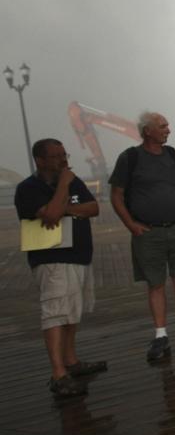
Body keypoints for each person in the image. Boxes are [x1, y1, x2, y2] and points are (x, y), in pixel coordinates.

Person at [109, 111, 175, 363]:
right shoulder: (130, 158)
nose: (168, 129)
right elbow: (116, 195)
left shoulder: (172, 154)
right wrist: (131, 225)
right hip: (148, 231)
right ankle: (160, 334)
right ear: (148, 131)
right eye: (162, 126)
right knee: (155, 283)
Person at [15, 139, 107, 397]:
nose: (63, 159)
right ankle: (58, 373)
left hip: (79, 255)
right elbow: (51, 215)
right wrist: (64, 187)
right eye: (55, 156)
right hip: (51, 259)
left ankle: (71, 361)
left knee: (72, 311)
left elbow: (93, 208)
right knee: (55, 312)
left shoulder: (73, 181)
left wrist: (65, 207)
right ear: (40, 160)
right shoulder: (29, 188)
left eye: (63, 154)